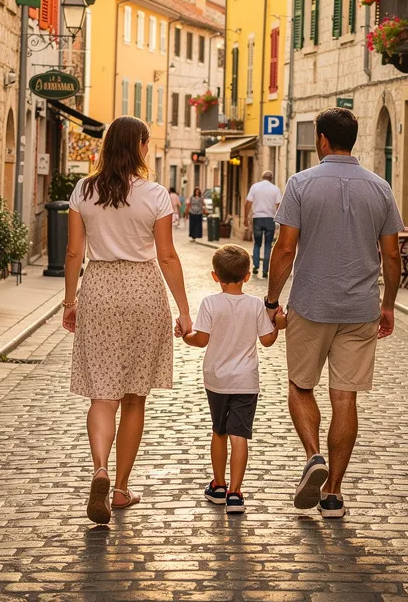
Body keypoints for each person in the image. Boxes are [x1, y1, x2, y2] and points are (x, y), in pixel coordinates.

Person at [263, 107, 403, 519]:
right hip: (361, 308)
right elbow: (392, 255)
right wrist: (388, 304)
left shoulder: (301, 184)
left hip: (310, 304)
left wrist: (272, 301)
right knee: (345, 396)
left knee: (300, 385)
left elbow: (285, 249)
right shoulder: (380, 188)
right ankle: (335, 494)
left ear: (322, 140)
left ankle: (312, 457)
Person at [62, 116, 192, 525]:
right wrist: (184, 310)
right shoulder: (155, 194)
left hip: (99, 287)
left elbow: (72, 253)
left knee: (103, 395)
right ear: (138, 146)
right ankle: (119, 488)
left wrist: (70, 301)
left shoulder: (84, 190)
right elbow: (167, 256)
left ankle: (98, 467)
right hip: (142, 291)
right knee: (135, 396)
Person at [182, 245, 284, 514]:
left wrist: (185, 335)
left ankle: (218, 485)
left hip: (216, 379)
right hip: (245, 381)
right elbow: (267, 341)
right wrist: (277, 325)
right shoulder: (255, 306)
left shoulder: (210, 303)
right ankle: (236, 493)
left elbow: (201, 340)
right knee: (240, 435)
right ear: (248, 276)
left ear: (215, 276)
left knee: (219, 430)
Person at [244, 171, 281, 279]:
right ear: (271, 178)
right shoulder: (275, 189)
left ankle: (255, 266)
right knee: (268, 245)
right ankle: (265, 270)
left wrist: (245, 217)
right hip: (270, 219)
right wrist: (279, 221)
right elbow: (279, 205)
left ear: (262, 177)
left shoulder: (255, 187)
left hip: (258, 218)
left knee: (257, 244)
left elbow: (248, 203)